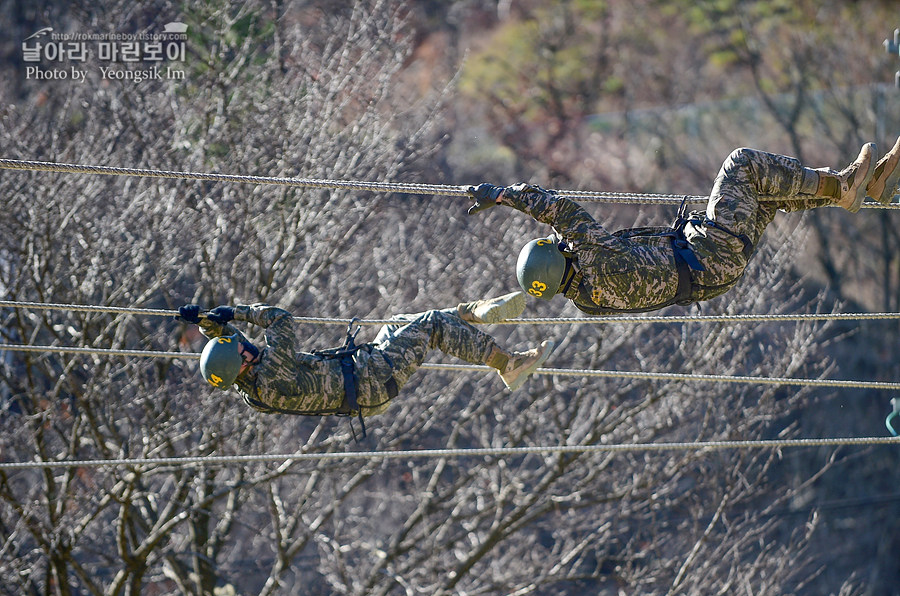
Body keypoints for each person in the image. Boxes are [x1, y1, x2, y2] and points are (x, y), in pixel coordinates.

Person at [466, 137, 900, 315]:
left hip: (714, 270)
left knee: (767, 191)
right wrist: (505, 195)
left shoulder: (587, 294)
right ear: (557, 259)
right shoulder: (597, 262)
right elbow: (558, 209)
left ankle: (869, 184)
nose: (564, 244)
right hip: (710, 250)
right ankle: (844, 186)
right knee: (743, 164)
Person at [175, 292, 552, 426]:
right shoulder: (271, 375)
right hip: (371, 380)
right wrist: (237, 312)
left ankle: (472, 313)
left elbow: (230, 347)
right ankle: (508, 364)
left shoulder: (248, 379)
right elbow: (279, 321)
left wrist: (208, 321)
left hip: (363, 374)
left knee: (404, 322)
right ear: (242, 365)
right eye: (241, 350)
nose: (245, 346)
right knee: (431, 326)